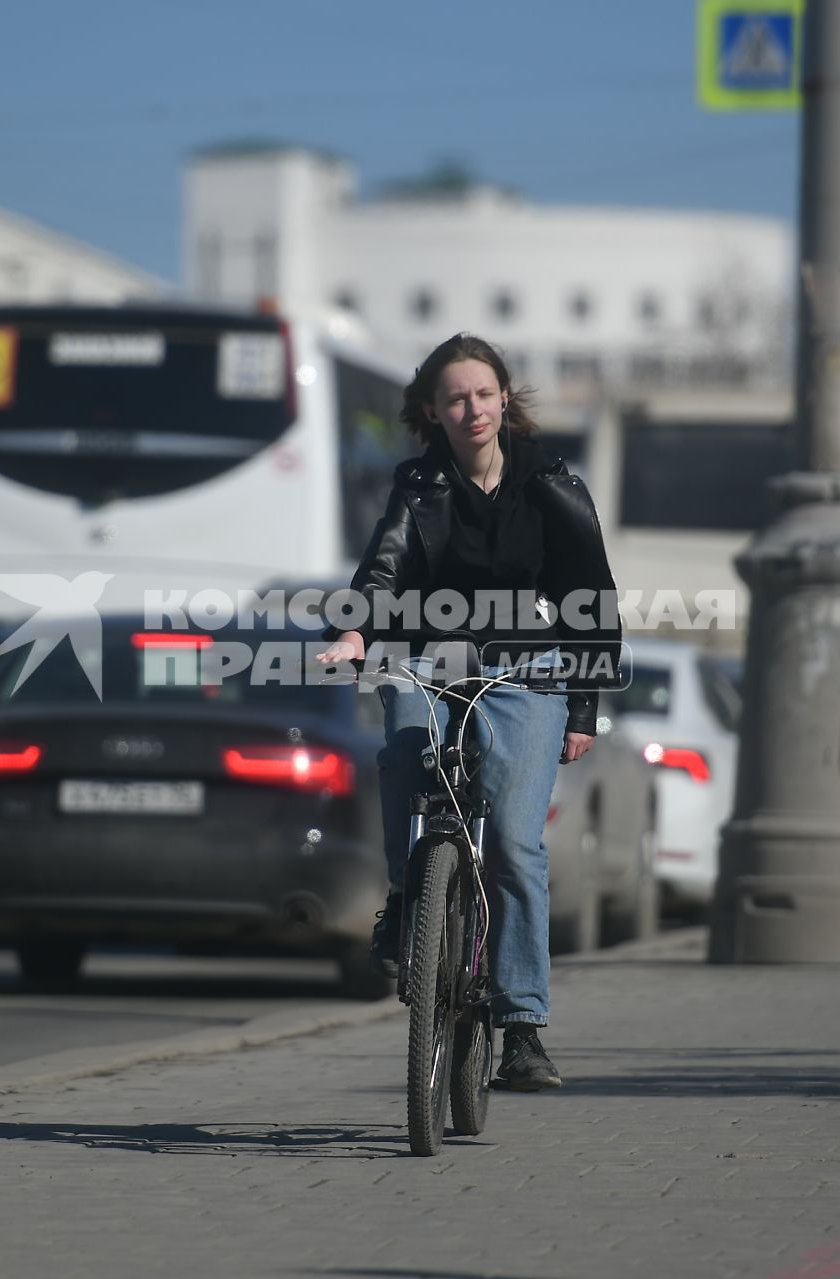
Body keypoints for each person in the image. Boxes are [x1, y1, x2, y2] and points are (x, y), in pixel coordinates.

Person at [314, 332, 619, 1092]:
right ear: (432, 410)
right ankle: (404, 899)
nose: (472, 408)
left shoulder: (549, 482)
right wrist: (355, 630)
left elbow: (592, 599)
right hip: (428, 659)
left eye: (483, 393)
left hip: (529, 669)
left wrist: (582, 703)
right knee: (402, 756)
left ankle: (522, 1027)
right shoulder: (418, 484)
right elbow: (384, 566)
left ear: (504, 398)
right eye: (455, 397)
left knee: (517, 846)